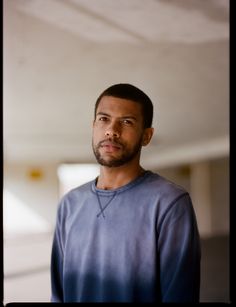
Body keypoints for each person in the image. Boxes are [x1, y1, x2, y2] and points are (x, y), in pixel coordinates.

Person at [50, 83, 201, 303]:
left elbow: (181, 297)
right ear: (93, 126)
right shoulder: (70, 204)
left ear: (146, 136)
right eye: (104, 119)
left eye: (127, 122)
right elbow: (58, 295)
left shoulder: (169, 202)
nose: (112, 130)